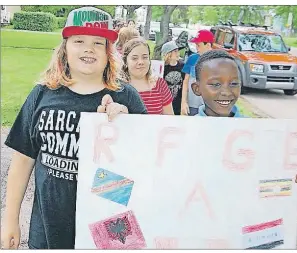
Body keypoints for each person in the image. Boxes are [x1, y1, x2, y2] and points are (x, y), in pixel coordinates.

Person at [1, 6, 147, 250]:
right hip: (48, 228)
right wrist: (10, 220)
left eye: (98, 43)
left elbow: (148, 165)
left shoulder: (127, 97)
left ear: (109, 52)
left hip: (107, 228)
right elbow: (22, 160)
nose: (88, 48)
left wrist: (128, 125)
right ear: (64, 49)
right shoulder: (42, 94)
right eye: (78, 40)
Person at [120, 37, 174, 115]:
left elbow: (170, 118)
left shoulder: (160, 84)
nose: (140, 62)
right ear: (125, 61)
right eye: (134, 58)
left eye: (145, 57)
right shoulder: (118, 88)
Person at [191, 50, 243, 117]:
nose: (226, 92)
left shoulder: (250, 125)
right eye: (216, 84)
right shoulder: (191, 126)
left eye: (234, 83)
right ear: (197, 89)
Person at [181, 30, 214, 116]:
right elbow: (185, 81)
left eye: (198, 45)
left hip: (210, 106)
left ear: (208, 45)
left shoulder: (217, 60)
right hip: (192, 105)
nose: (196, 48)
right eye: (195, 45)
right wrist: (183, 102)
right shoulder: (192, 59)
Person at [161, 41, 185, 115]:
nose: (178, 53)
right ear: (168, 54)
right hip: (165, 103)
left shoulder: (182, 66)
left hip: (179, 102)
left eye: (178, 51)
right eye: (175, 51)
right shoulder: (162, 68)